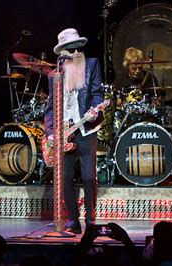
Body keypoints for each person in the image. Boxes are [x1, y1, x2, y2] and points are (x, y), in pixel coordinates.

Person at [44, 28, 104, 234]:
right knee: (65, 177)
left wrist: (95, 110)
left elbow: (97, 93)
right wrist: (51, 132)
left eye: (78, 47)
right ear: (63, 52)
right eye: (71, 48)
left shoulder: (92, 65)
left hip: (85, 128)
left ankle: (91, 220)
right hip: (63, 132)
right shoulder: (55, 76)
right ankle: (72, 221)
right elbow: (51, 107)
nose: (77, 52)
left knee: (88, 177)